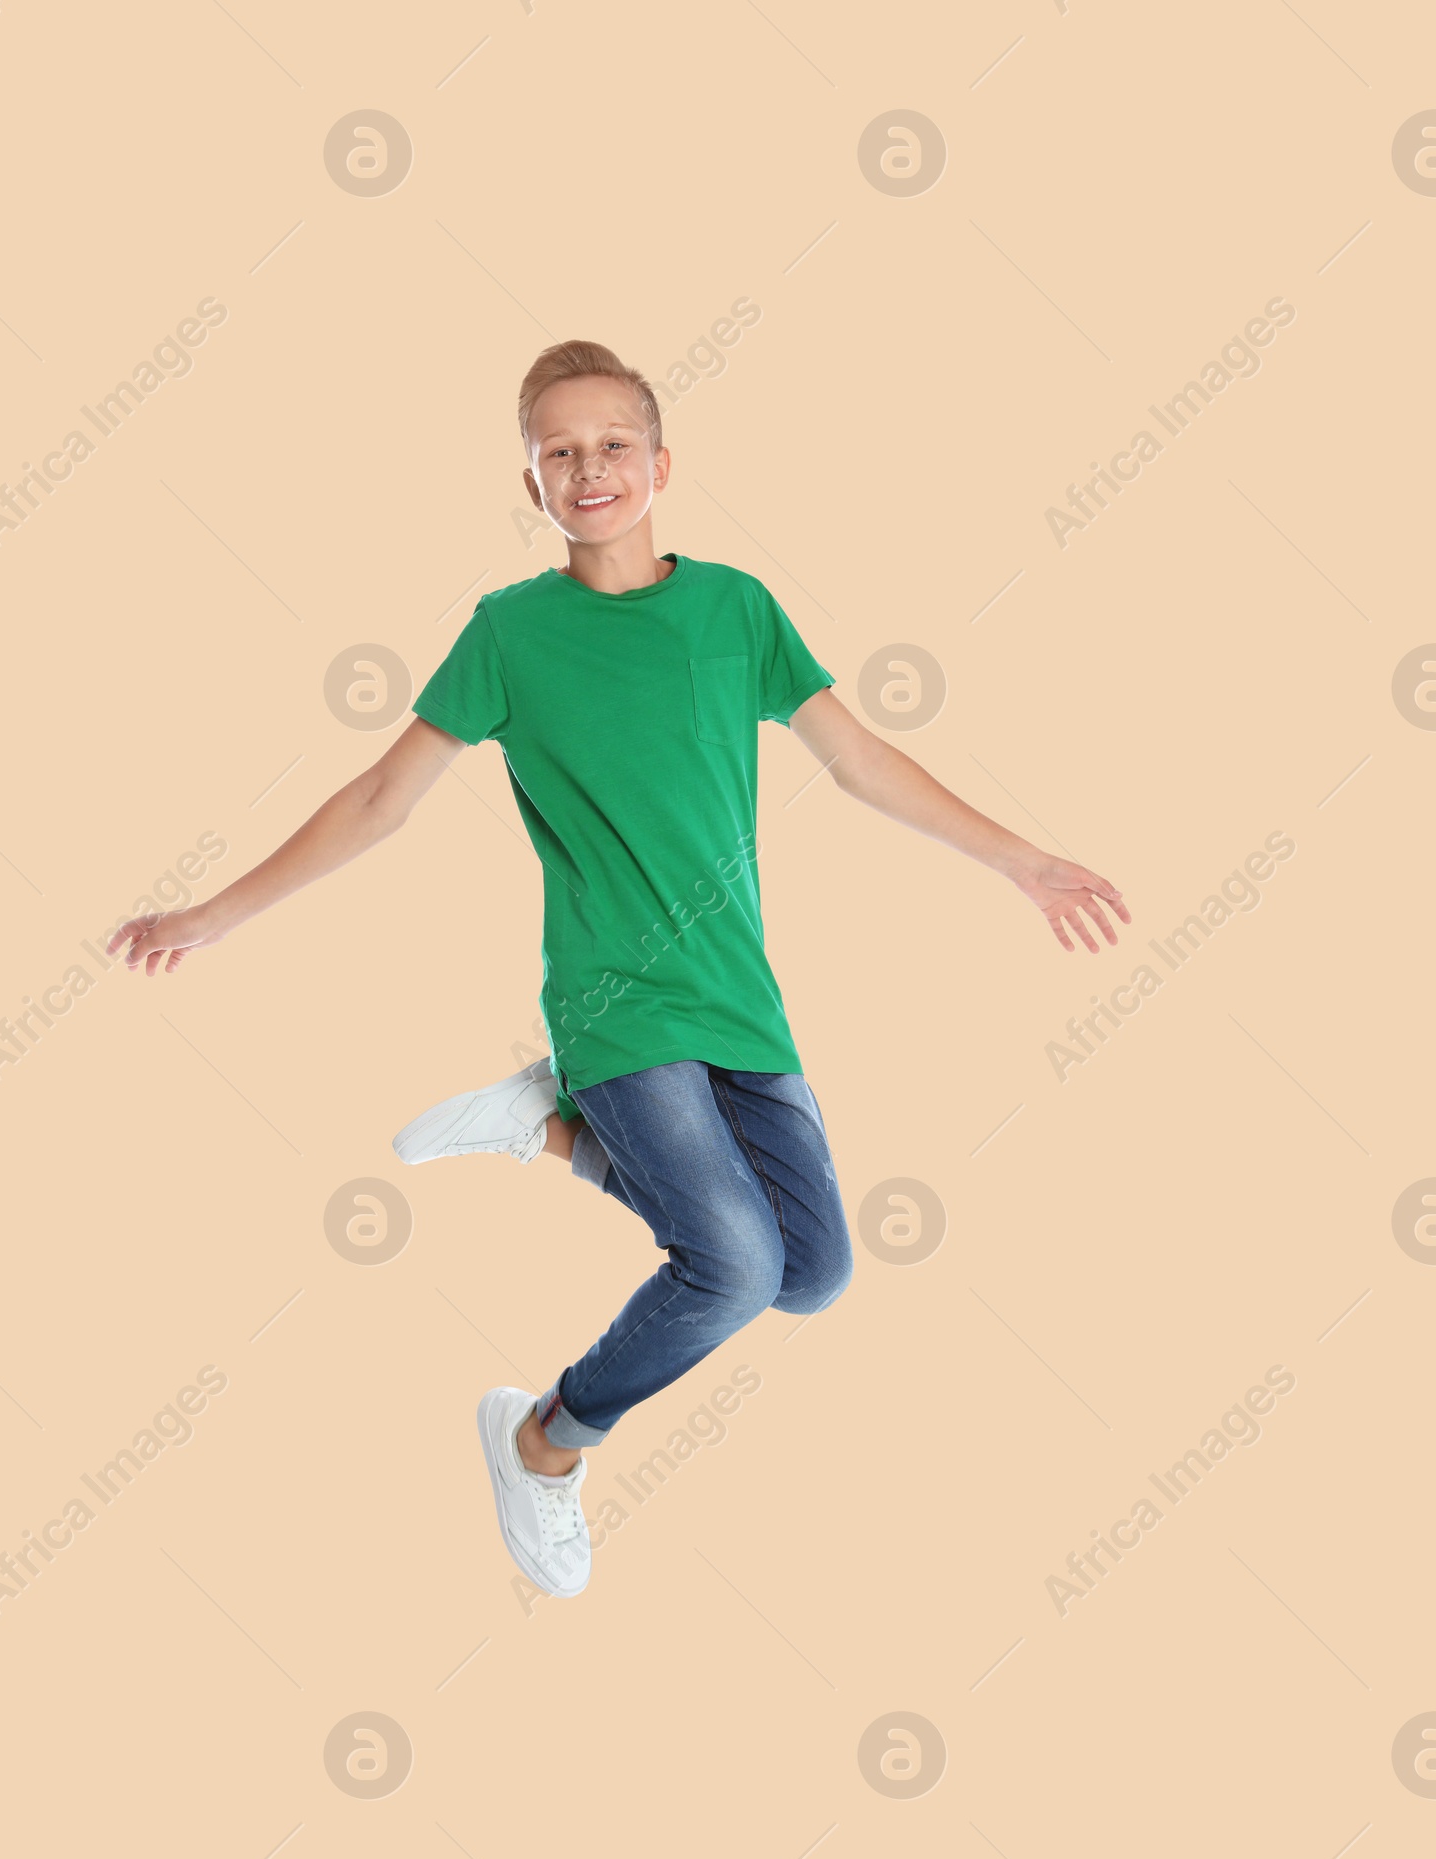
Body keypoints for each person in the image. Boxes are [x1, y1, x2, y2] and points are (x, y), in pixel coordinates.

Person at [108, 340, 1130, 1600]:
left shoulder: (736, 611)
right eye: (557, 450)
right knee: (734, 1267)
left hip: (736, 996)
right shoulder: (509, 635)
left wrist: (1022, 862)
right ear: (529, 481)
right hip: (613, 996)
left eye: (609, 444)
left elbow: (860, 761)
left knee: (809, 1273)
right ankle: (543, 1440)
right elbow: (381, 797)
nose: (586, 467)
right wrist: (216, 913)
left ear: (660, 465)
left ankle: (554, 1128)